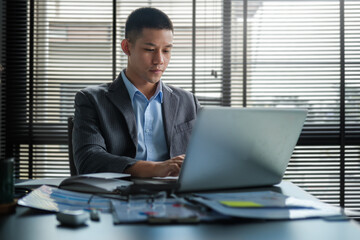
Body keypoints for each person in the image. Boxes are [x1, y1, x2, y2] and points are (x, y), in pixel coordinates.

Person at [72, 7, 200, 178]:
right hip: (120, 196)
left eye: (166, 50)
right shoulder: (92, 100)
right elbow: (89, 159)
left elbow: (210, 154)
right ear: (127, 47)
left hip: (176, 196)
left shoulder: (187, 101)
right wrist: (155, 168)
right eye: (149, 49)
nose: (159, 60)